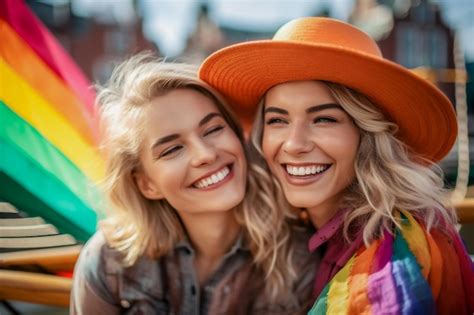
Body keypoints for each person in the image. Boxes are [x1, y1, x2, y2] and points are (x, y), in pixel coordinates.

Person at [199, 17, 474, 314]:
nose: (294, 144)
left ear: (366, 135)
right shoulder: (307, 232)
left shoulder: (391, 255)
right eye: (277, 120)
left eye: (324, 119)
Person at [71, 53, 317, 314]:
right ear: (146, 184)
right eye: (172, 149)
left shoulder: (299, 259)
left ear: (238, 136)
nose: (205, 155)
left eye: (212, 130)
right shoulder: (109, 264)